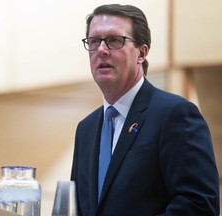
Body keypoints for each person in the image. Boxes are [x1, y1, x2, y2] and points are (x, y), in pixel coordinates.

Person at [70, 4, 220, 216]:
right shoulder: (85, 129)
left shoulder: (175, 114)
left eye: (114, 40)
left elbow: (199, 205)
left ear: (141, 53)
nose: (101, 50)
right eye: (94, 41)